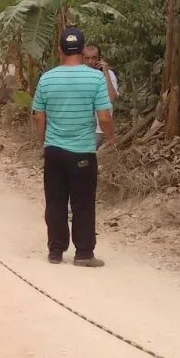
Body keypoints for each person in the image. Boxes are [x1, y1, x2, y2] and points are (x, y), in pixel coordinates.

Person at [32, 28, 114, 267]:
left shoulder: (47, 78)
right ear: (82, 49)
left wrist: (43, 141)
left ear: (59, 50)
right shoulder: (95, 78)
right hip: (83, 151)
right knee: (83, 202)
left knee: (55, 200)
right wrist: (110, 138)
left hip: (54, 150)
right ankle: (84, 253)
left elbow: (38, 116)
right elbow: (105, 117)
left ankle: (56, 251)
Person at [82, 44, 119, 150]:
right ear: (82, 58)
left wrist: (105, 72)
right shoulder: (80, 75)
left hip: (100, 126)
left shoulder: (108, 74)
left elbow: (111, 98)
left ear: (99, 59)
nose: (90, 62)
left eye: (93, 58)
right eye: (87, 58)